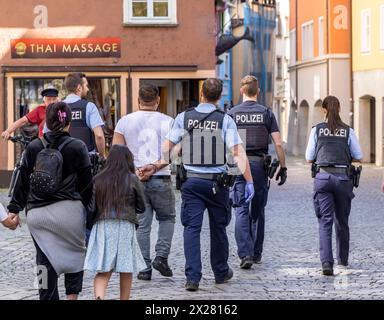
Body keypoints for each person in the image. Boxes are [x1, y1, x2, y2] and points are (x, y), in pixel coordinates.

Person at [144, 78, 255, 291]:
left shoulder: (184, 117)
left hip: (192, 182)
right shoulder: (226, 120)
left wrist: (172, 161)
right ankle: (221, 272)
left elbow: (167, 146)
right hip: (217, 185)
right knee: (219, 228)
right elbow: (238, 153)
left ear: (202, 93)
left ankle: (192, 278)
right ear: (219, 96)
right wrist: (249, 181)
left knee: (192, 229)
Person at [7, 102, 93, 300]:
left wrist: (14, 209)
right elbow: (87, 186)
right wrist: (88, 212)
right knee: (75, 254)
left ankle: (45, 296)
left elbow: (22, 181)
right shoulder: (78, 147)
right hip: (69, 212)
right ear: (68, 123)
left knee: (42, 261)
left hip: (38, 215)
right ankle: (72, 296)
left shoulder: (34, 146)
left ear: (46, 122)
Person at [112, 83, 176, 281]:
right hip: (161, 176)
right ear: (157, 101)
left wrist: (136, 170)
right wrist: (155, 167)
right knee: (167, 218)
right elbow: (173, 153)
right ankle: (161, 257)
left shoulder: (124, 122)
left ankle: (144, 267)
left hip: (135, 178)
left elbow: (116, 153)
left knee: (142, 224)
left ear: (138, 100)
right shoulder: (169, 122)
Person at [227, 75, 287, 268]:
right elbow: (278, 142)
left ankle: (245, 255)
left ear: (241, 90)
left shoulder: (232, 114)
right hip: (259, 165)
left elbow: (225, 144)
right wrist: (283, 166)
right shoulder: (266, 113)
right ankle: (256, 252)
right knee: (258, 209)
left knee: (241, 209)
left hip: (237, 163)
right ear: (258, 92)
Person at [305, 96, 363, 276]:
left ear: (324, 110)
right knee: (342, 221)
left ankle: (326, 264)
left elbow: (309, 157)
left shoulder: (317, 130)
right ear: (339, 109)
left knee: (325, 221)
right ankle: (343, 260)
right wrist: (344, 157)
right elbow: (359, 155)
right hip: (343, 179)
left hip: (323, 178)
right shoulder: (348, 131)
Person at [84, 145, 146, 300]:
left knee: (103, 270)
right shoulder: (132, 179)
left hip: (102, 225)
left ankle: (99, 296)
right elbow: (141, 206)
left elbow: (91, 208)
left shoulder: (98, 179)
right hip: (125, 224)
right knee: (126, 268)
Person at [61, 73, 106, 158]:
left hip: (63, 159)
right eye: (86, 86)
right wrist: (102, 155)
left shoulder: (57, 107)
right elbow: (99, 135)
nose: (88, 89)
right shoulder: (89, 106)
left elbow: (47, 133)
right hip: (85, 159)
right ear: (79, 88)